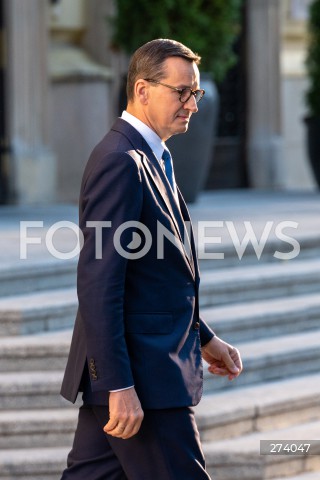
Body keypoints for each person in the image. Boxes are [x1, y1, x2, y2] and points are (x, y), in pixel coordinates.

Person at [60, 38, 242, 480]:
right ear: (142, 90)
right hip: (144, 382)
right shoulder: (121, 161)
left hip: (145, 371)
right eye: (181, 92)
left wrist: (202, 336)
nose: (192, 105)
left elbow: (154, 277)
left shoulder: (152, 157)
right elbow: (100, 283)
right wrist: (117, 385)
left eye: (194, 93)